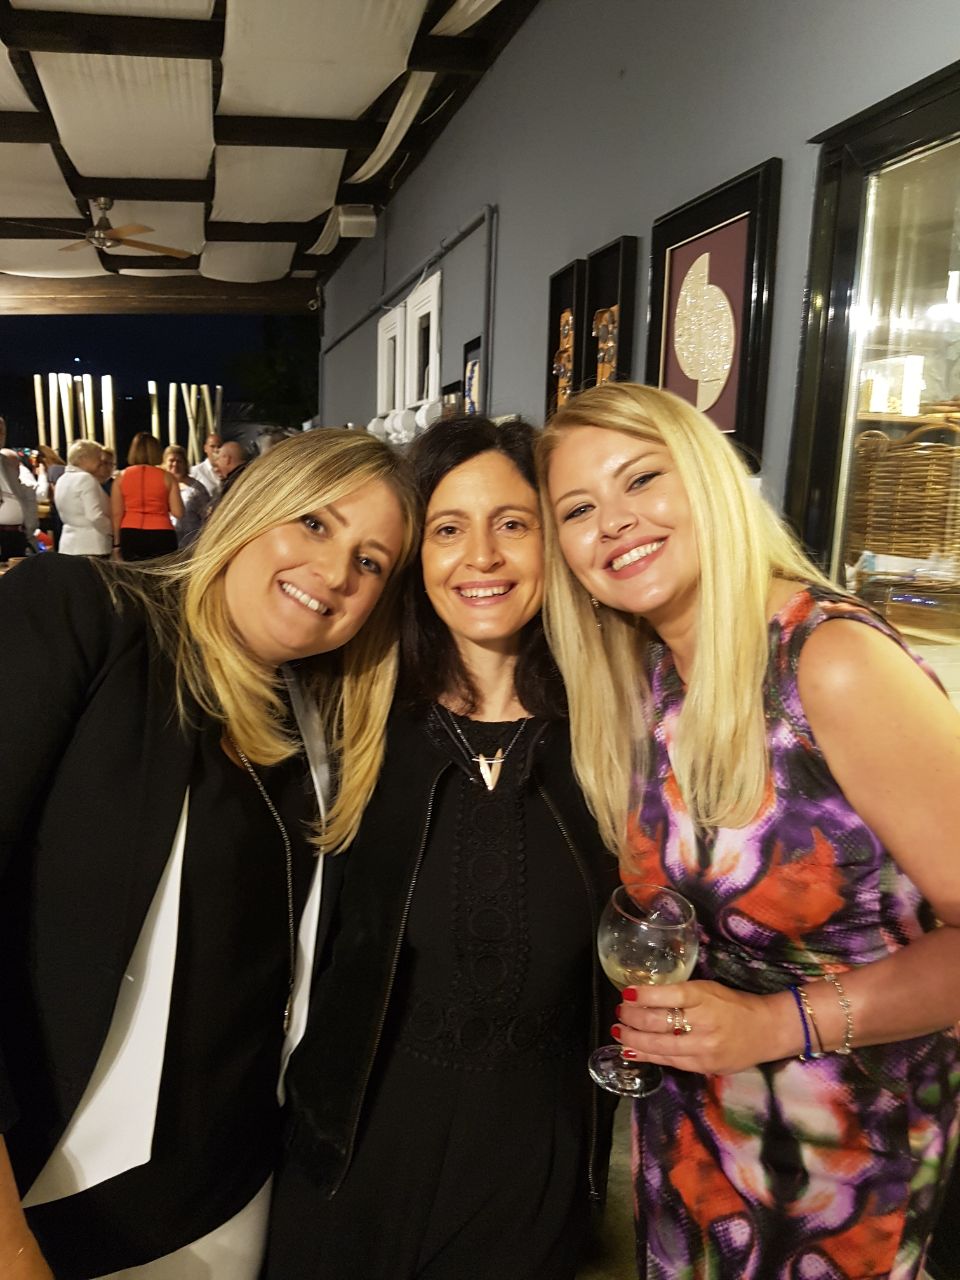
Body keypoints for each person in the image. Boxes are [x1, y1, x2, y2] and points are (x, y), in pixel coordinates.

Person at [537, 382, 960, 1280]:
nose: (614, 521)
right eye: (578, 509)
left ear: (708, 479)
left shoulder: (831, 662)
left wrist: (775, 1022)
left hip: (843, 1162)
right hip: (691, 1137)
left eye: (640, 479)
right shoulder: (651, 675)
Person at [0, 428, 419, 1280]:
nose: (336, 571)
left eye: (371, 562)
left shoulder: (320, 722)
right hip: (47, 1199)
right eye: (314, 522)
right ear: (250, 508)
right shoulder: (84, 613)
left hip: (226, 1200)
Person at [265, 417, 617, 1280]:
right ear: (416, 558)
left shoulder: (617, 729)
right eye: (449, 528)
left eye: (513, 523)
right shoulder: (348, 718)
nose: (482, 557)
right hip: (354, 1160)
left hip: (532, 1174)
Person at [112, 432, 183, 562]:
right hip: (162, 533)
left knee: (133, 573)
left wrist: (116, 544)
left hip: (130, 533)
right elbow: (178, 512)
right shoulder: (168, 477)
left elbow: (117, 514)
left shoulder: (121, 477)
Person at [177, 441, 248, 548]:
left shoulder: (236, 482)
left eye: (218, 459)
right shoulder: (246, 476)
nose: (216, 467)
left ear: (227, 459)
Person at [55, 440, 112, 557]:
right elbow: (95, 516)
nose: (100, 461)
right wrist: (113, 530)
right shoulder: (86, 479)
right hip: (91, 546)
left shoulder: (62, 479)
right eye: (97, 457)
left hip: (68, 545)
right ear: (83, 458)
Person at [190, 432, 222, 497]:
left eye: (219, 446)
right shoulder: (196, 471)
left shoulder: (228, 470)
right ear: (205, 448)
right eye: (212, 446)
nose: (216, 450)